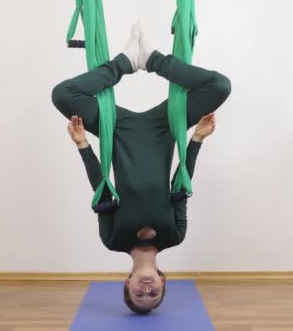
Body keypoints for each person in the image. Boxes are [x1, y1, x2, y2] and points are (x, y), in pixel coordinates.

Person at [52, 23, 231, 314]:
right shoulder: (174, 235)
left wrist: (83, 145)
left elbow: (102, 188)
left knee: (63, 94)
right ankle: (153, 61)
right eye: (153, 295)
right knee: (220, 86)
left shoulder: (113, 240)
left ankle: (124, 63)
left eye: (139, 295)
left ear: (127, 283)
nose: (146, 290)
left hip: (118, 132)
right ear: (162, 282)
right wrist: (196, 139)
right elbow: (181, 185)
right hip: (164, 129)